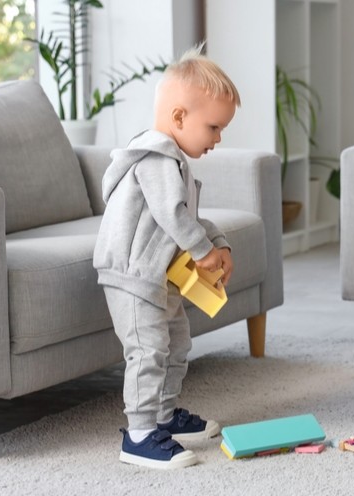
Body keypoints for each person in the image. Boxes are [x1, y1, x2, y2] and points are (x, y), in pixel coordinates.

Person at [93, 46, 239, 469]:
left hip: (162, 276)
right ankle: (139, 434)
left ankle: (163, 415)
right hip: (134, 276)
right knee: (148, 350)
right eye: (213, 127)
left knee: (177, 343)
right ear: (179, 117)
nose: (218, 138)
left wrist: (218, 242)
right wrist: (202, 250)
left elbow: (189, 216)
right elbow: (172, 214)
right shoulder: (156, 157)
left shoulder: (176, 164)